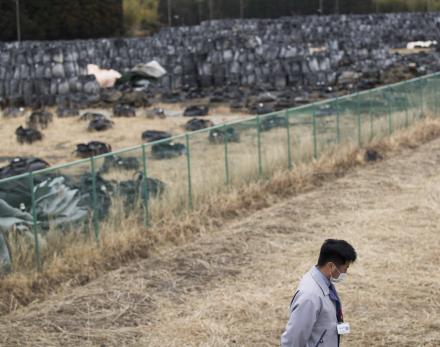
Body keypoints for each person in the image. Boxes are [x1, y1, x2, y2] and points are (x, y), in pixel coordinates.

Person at [280, 239, 357, 347]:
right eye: (346, 268)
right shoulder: (310, 296)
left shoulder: (324, 283)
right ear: (331, 266)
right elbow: (293, 340)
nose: (346, 273)